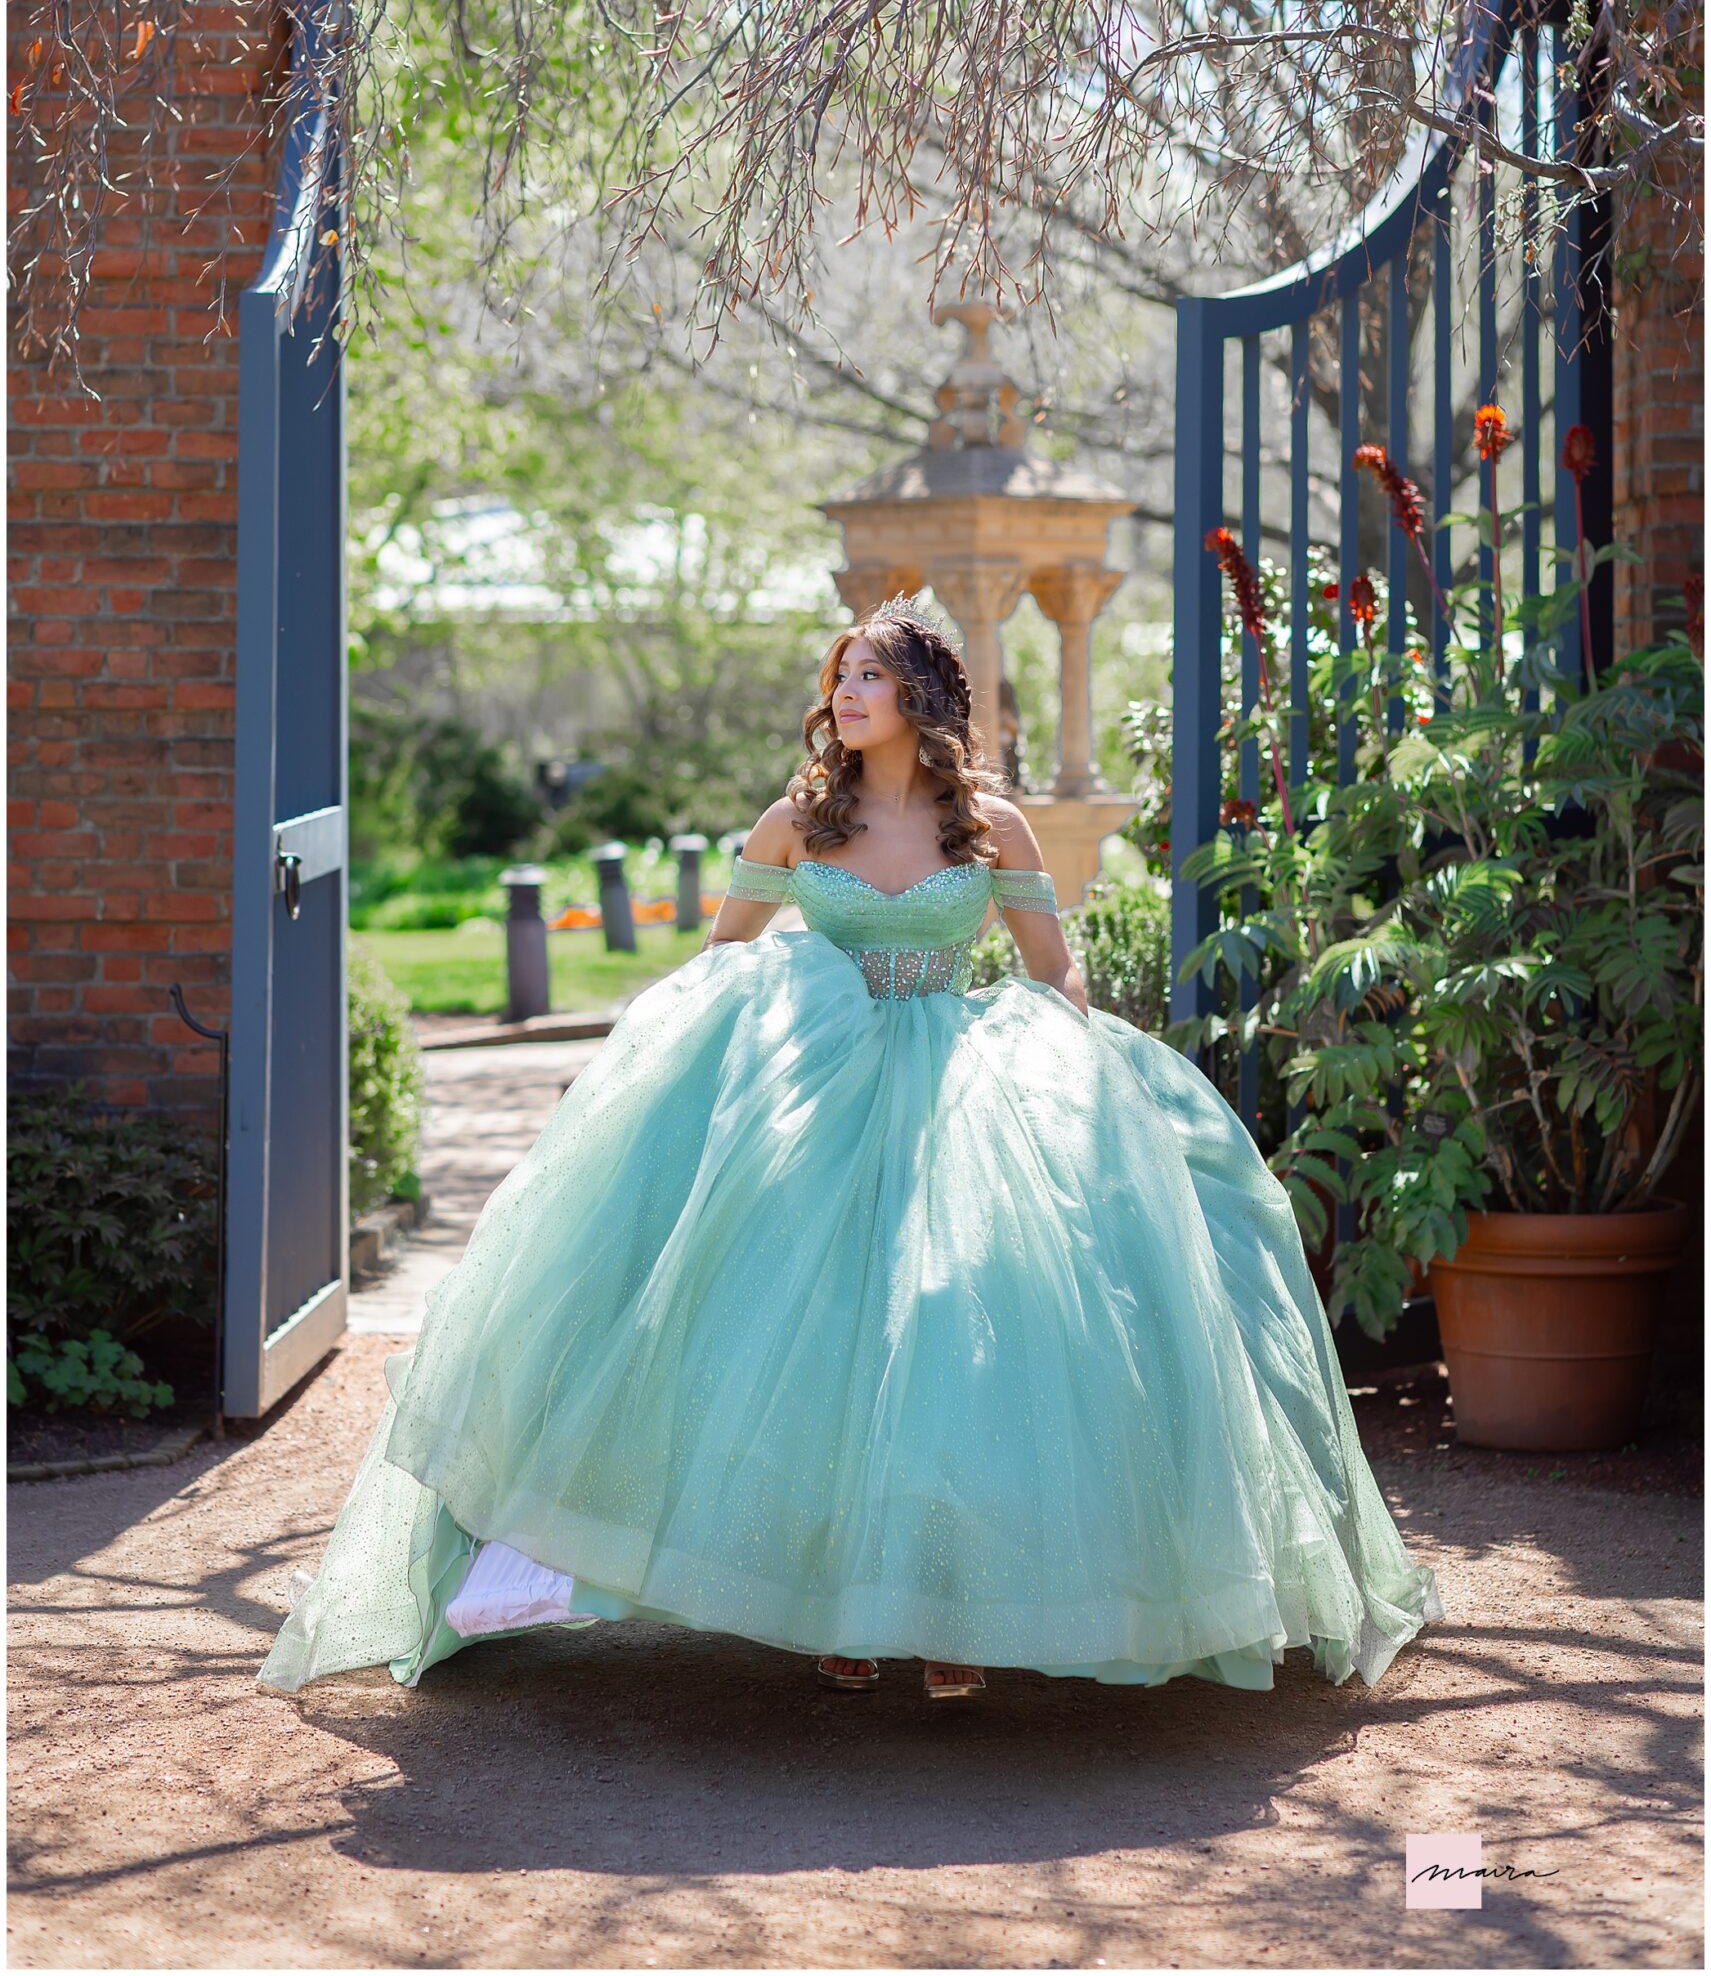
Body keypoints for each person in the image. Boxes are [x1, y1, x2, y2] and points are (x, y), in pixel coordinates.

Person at [260, 599, 1443, 1706]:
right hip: (817, 1091)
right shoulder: (795, 820)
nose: (847, 692)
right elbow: (724, 959)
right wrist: (679, 1073)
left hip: (962, 1085)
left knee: (957, 1332)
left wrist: (1078, 1056)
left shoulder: (991, 825)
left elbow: (1052, 966)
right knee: (809, 1332)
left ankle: (951, 1609)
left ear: (921, 695)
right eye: (840, 676)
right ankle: (834, 1599)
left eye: (871, 674)